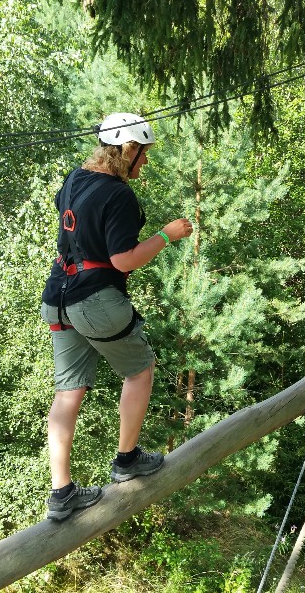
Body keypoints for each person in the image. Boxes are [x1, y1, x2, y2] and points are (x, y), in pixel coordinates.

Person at [40, 112, 193, 520]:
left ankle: (61, 493)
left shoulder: (74, 179)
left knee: (68, 391)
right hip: (95, 299)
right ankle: (126, 461)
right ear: (127, 150)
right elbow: (122, 260)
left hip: (58, 295)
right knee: (140, 370)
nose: (144, 162)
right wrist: (166, 235)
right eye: (142, 154)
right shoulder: (119, 194)